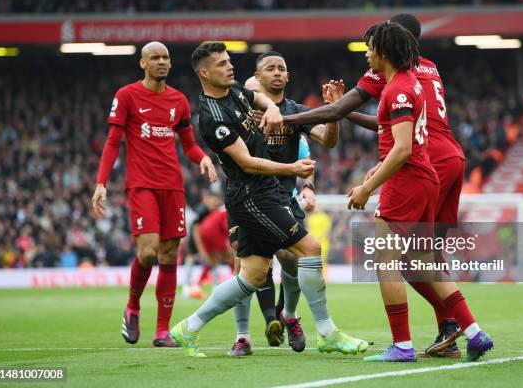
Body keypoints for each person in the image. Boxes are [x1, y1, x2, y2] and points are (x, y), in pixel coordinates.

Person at [170, 41, 368, 358]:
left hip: (264, 193)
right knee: (310, 248)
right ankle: (326, 332)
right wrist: (292, 167)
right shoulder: (212, 116)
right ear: (205, 73)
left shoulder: (234, 92)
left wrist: (272, 107)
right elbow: (247, 163)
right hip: (253, 193)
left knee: (252, 274)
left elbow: (256, 96)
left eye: (229, 60)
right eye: (221, 63)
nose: (229, 66)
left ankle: (188, 328)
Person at [344, 21, 493, 362]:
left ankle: (402, 346)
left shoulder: (396, 88)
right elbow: (406, 139)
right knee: (425, 262)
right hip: (427, 175)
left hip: (409, 178)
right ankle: (473, 331)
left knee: (386, 261)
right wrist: (377, 170)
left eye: (370, 48)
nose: (366, 54)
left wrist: (369, 186)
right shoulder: (414, 81)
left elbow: (402, 148)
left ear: (383, 52)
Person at [91, 41, 217, 347]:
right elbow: (112, 141)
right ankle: (133, 307)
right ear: (143, 63)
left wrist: (201, 157)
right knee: (148, 252)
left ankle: (162, 331)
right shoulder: (127, 96)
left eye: (165, 58)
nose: (161, 62)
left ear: (170, 64)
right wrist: (101, 182)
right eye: (154, 57)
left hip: (172, 187)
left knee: (170, 254)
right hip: (142, 184)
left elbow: (187, 144)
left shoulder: (179, 101)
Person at [227, 52, 339, 356]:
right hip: (246, 198)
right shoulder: (240, 112)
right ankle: (242, 336)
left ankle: (288, 314)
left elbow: (326, 141)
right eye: (270, 69)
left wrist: (333, 111)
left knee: (294, 259)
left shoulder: (296, 112)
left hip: (282, 201)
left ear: (287, 77)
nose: (277, 73)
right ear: (257, 77)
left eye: (282, 69)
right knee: (244, 265)